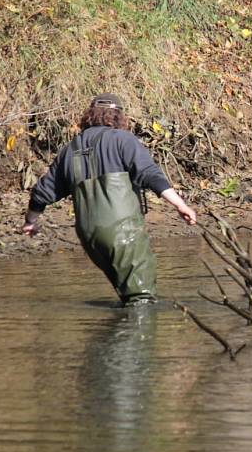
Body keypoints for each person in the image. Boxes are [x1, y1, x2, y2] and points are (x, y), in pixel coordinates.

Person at [22, 93, 196, 305]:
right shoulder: (123, 139)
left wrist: (30, 222)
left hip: (89, 236)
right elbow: (150, 174)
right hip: (122, 232)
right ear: (119, 117)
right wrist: (180, 204)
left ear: (90, 115)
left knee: (127, 296)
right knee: (141, 299)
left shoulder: (69, 150)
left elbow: (42, 192)